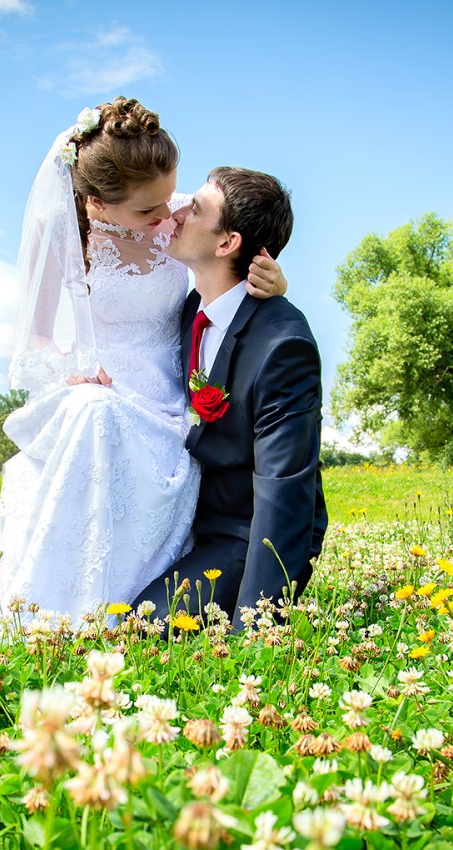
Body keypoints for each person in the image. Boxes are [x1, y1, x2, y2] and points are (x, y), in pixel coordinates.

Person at [0, 98, 287, 636]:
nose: (168, 216)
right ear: (98, 202)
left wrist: (273, 280)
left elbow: (235, 242)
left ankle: (129, 612)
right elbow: (36, 339)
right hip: (100, 383)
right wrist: (70, 368)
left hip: (168, 397)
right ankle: (51, 615)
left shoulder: (176, 210)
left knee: (102, 417)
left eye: (172, 198)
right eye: (149, 212)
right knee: (93, 412)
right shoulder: (61, 228)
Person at [133, 167, 327, 626]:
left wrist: (254, 627)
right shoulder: (190, 308)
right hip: (178, 514)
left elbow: (284, 491)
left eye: (196, 208)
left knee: (138, 627)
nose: (178, 212)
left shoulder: (283, 346)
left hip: (240, 532)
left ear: (227, 243)